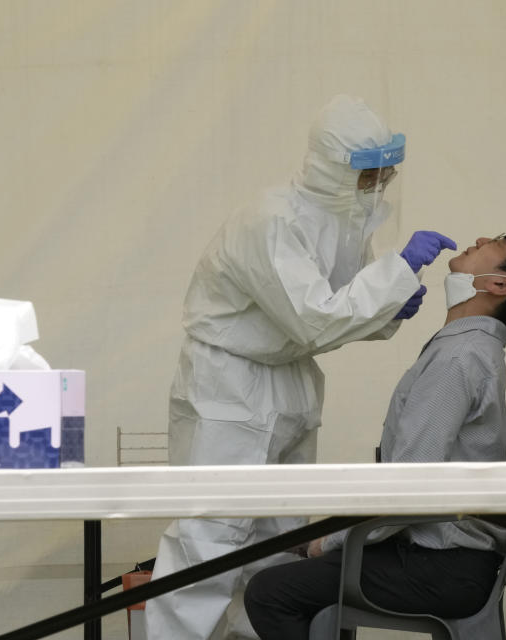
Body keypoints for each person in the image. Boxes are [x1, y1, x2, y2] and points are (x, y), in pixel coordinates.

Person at [146, 94, 457, 640]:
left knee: (279, 535)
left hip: (287, 379)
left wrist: (390, 306)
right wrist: (396, 274)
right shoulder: (271, 221)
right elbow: (315, 319)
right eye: (369, 173)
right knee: (210, 536)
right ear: (332, 165)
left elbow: (340, 307)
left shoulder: (340, 220)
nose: (380, 184)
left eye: (386, 172)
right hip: (230, 383)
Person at [242, 231, 506, 640]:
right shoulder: (467, 349)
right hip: (451, 560)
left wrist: (328, 543)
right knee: (295, 575)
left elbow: (408, 484)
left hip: (441, 567)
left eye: (499, 242)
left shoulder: (458, 357)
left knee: (269, 591)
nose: (482, 237)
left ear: (500, 284)